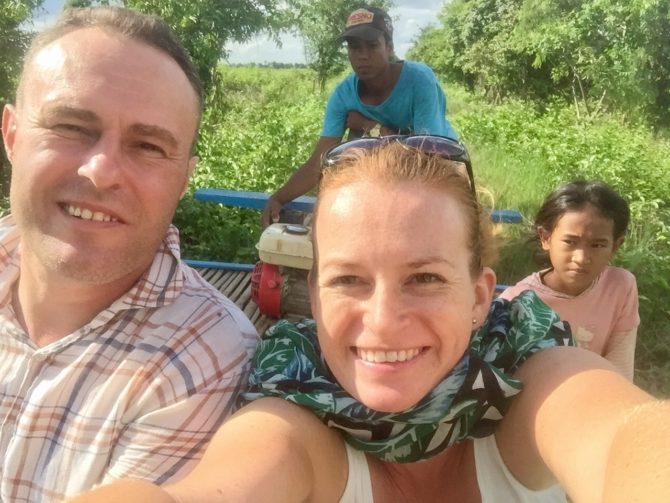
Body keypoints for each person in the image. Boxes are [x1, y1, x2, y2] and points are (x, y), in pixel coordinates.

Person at [70, 138, 669, 503]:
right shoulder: (294, 401)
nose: (382, 323)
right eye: (349, 279)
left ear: (481, 296)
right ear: (314, 294)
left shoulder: (534, 372)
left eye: (426, 278)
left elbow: (627, 438)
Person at [0, 6, 257, 501]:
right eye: (72, 126)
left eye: (148, 146)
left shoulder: (203, 359)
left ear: (184, 177)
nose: (101, 171)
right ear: (12, 135)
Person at [261, 5, 458, 227]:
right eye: (354, 48)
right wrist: (278, 198)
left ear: (389, 47)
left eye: (372, 46)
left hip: (441, 172)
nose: (362, 56)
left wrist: (370, 128)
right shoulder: (344, 95)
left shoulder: (419, 81)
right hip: (384, 178)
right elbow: (320, 160)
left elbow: (427, 157)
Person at [499, 181, 639, 380]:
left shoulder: (620, 287)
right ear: (545, 238)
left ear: (616, 246)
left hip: (600, 399)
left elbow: (621, 372)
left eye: (597, 245)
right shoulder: (514, 302)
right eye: (570, 242)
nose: (581, 258)